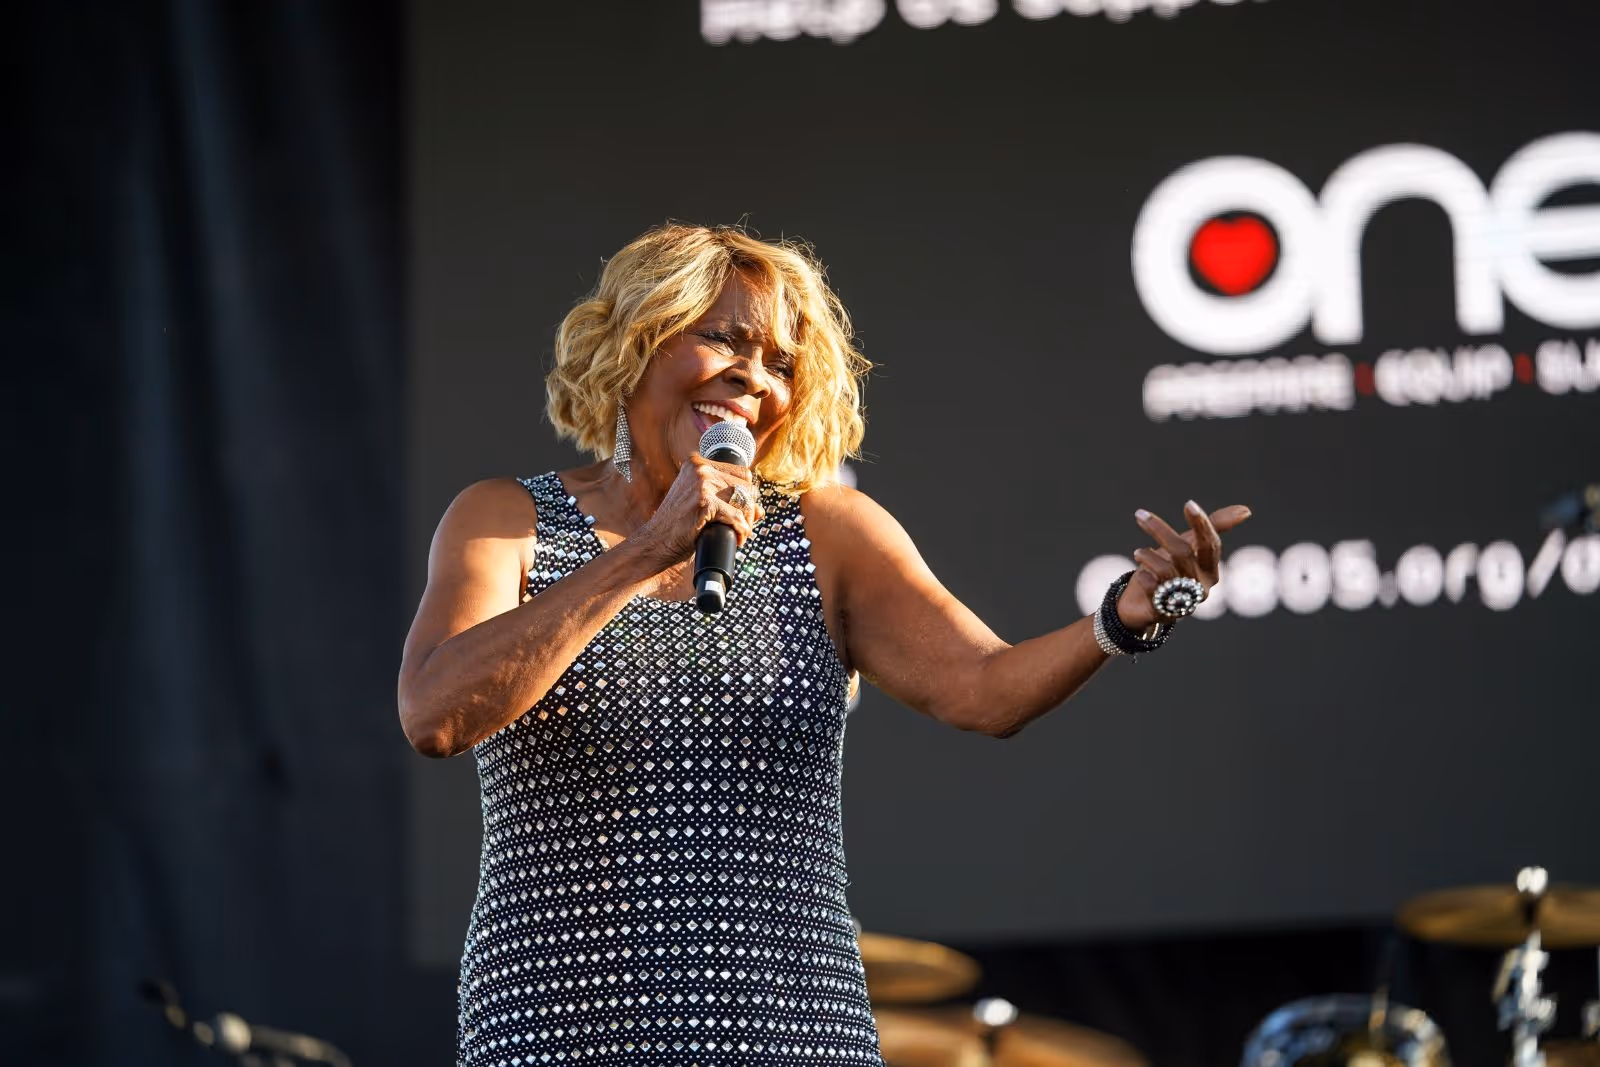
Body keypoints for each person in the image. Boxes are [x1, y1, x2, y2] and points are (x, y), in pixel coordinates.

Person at [398, 223, 1251, 1066]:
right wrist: (648, 549)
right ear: (637, 341)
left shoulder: (827, 531)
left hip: (789, 1019)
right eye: (724, 338)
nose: (752, 376)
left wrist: (1125, 616)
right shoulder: (506, 519)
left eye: (780, 364)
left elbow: (984, 689)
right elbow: (436, 714)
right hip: (562, 1019)